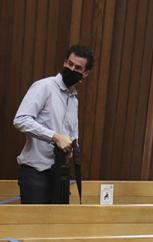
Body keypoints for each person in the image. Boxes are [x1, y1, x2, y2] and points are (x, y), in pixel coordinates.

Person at [13, 44, 93, 204]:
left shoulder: (73, 99)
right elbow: (20, 120)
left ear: (85, 73)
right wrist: (54, 137)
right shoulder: (44, 87)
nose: (71, 69)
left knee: (58, 227)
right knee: (34, 228)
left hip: (59, 174)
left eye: (78, 68)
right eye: (69, 64)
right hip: (35, 173)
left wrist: (71, 148)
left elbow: (71, 134)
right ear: (64, 63)